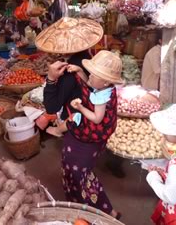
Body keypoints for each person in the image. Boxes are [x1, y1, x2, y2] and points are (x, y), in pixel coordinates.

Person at [48, 50, 124, 219]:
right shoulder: (105, 87)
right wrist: (80, 71)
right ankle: (101, 210)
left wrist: (81, 108)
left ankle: (96, 212)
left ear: (105, 82)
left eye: (93, 75)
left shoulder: (102, 95)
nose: (89, 77)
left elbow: (96, 119)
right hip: (96, 142)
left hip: (90, 138)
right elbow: (90, 85)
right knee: (82, 174)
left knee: (79, 176)